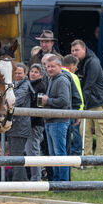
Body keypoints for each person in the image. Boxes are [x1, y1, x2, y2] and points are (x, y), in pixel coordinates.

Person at [71, 39, 103, 157]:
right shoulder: (78, 62)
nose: (74, 53)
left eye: (77, 50)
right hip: (88, 101)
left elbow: (88, 85)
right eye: (73, 50)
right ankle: (87, 159)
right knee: (84, 130)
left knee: (100, 131)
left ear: (84, 49)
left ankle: (99, 158)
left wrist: (80, 103)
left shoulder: (93, 62)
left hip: (100, 100)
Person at [39, 55, 72, 183]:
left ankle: (63, 181)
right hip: (51, 121)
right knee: (54, 155)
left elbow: (64, 101)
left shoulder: (61, 80)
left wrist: (48, 100)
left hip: (58, 121)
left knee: (59, 153)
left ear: (60, 66)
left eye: (53, 66)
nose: (50, 69)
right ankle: (57, 180)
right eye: (48, 67)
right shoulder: (52, 79)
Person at [6, 63, 32, 181]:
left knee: (16, 156)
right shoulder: (14, 84)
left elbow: (15, 100)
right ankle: (22, 182)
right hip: (14, 126)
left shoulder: (25, 85)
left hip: (20, 126)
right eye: (15, 73)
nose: (17, 75)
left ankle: (19, 183)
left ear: (25, 74)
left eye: (19, 73)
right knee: (14, 156)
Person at [25, 64, 47, 181]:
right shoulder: (29, 85)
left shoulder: (40, 86)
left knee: (33, 151)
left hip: (35, 124)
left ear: (41, 75)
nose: (32, 74)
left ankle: (36, 179)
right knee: (29, 151)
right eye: (31, 71)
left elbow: (38, 107)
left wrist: (28, 121)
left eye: (36, 72)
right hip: (29, 123)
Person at [61, 54, 84, 156]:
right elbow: (78, 96)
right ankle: (76, 152)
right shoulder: (73, 76)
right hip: (72, 111)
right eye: (76, 66)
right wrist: (79, 112)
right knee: (75, 133)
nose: (76, 69)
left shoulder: (58, 73)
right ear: (71, 65)